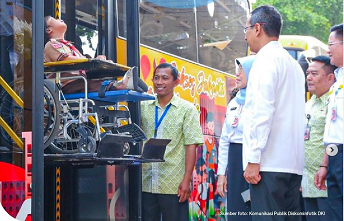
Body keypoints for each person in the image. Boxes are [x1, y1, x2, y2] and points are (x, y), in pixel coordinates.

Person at [242, 5, 305, 221]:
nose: (246, 35)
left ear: (258, 28)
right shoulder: (294, 65)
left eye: (247, 29)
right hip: (293, 165)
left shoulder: (265, 60)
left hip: (267, 163)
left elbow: (261, 111)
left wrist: (253, 158)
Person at [140, 63, 203, 221]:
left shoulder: (187, 109)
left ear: (176, 82)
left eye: (165, 78)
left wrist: (186, 180)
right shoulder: (142, 106)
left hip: (173, 184)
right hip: (145, 182)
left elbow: (191, 145)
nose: (159, 82)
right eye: (156, 78)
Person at [44, 16, 144, 93]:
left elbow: (80, 61)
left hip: (78, 81)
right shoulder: (52, 44)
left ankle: (134, 86)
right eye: (54, 19)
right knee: (92, 84)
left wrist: (99, 60)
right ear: (49, 30)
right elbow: (67, 60)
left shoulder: (68, 45)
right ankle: (120, 85)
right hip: (67, 84)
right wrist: (92, 61)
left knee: (94, 82)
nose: (60, 19)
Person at [217, 55, 255, 221]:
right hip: (234, 160)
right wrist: (221, 174)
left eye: (242, 70)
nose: (237, 75)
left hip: (252, 161)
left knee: (249, 205)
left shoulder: (259, 101)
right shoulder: (234, 102)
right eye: (237, 70)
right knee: (235, 208)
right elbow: (225, 140)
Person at [314, 23, 343, 221]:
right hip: (335, 156)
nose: (327, 49)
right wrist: (325, 164)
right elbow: (333, 128)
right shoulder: (338, 77)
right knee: (335, 212)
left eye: (331, 44)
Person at [302, 55, 336, 221]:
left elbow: (334, 139)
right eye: (308, 73)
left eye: (314, 73)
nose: (309, 77)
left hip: (327, 181)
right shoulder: (308, 105)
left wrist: (325, 165)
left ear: (330, 77)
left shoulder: (334, 103)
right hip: (307, 182)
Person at [0, 0, 23, 87]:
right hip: (4, 39)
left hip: (17, 40)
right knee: (7, 77)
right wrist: (18, 33)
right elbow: (2, 17)